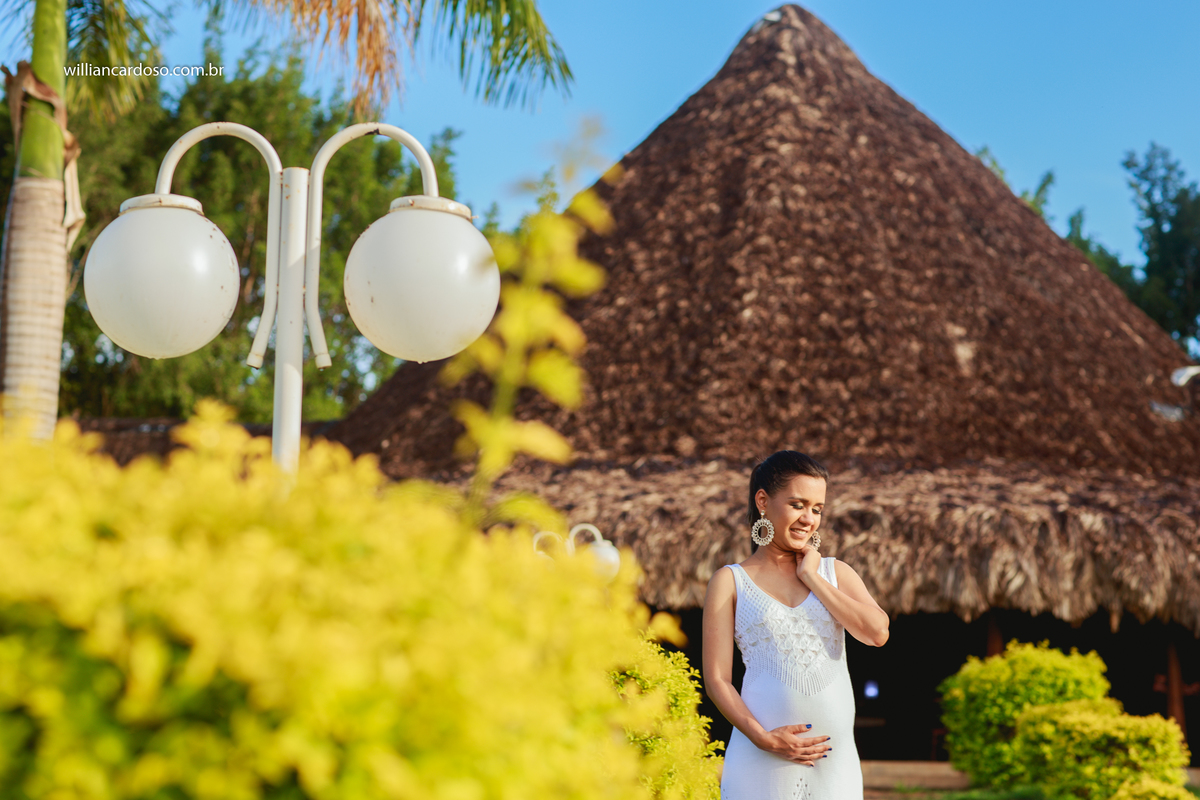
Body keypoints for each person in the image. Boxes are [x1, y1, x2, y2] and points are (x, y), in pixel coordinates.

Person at [702, 450, 890, 800]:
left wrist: (812, 577)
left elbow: (877, 633)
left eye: (817, 509)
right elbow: (717, 679)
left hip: (835, 764)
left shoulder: (836, 573)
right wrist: (763, 738)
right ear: (763, 501)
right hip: (760, 759)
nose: (809, 519)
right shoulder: (730, 582)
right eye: (798, 505)